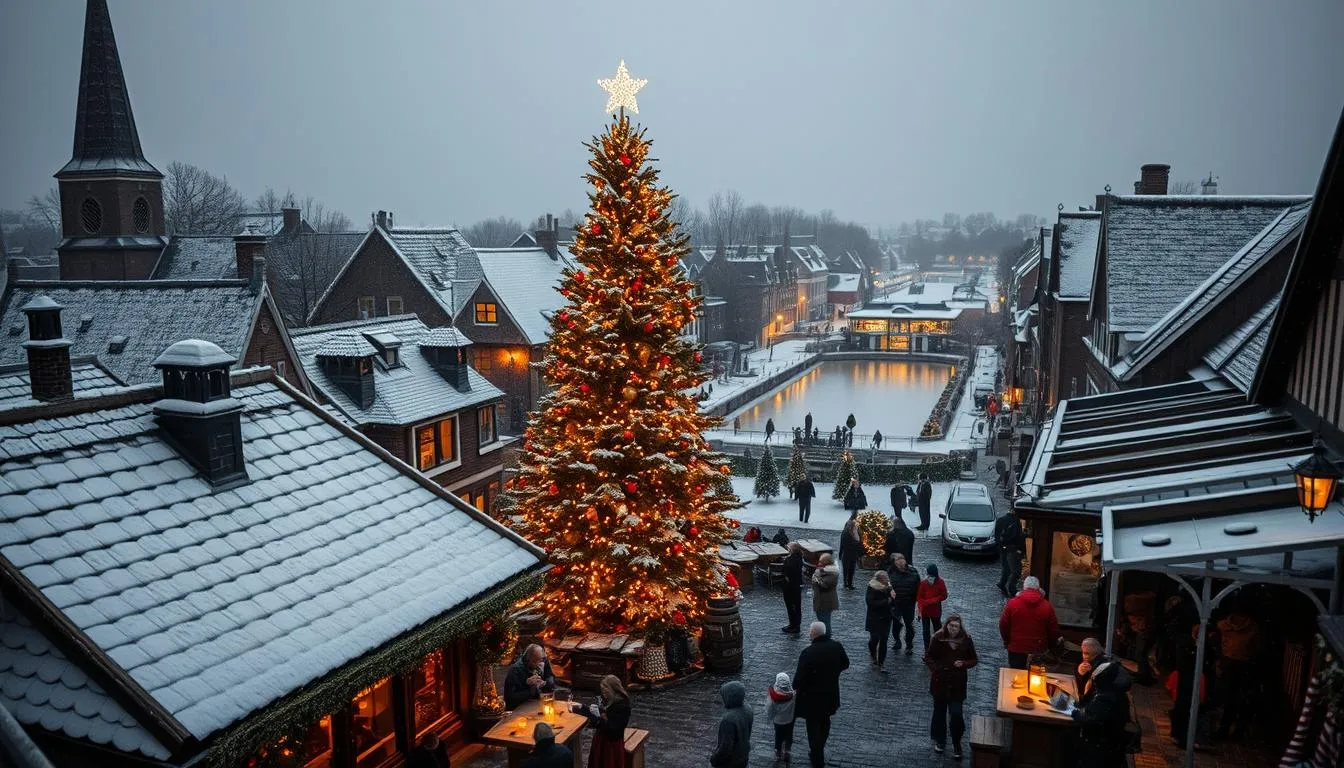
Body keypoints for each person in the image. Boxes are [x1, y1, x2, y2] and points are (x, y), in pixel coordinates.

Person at [794, 621, 850, 768]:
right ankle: (818, 749)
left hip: (812, 699)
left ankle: (817, 756)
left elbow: (798, 680)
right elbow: (845, 663)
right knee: (825, 722)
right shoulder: (836, 646)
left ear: (813, 634)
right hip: (830, 694)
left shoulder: (808, 653)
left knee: (813, 728)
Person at [924, 614, 979, 759]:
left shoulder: (966, 640)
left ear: (960, 628)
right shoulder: (938, 638)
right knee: (940, 713)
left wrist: (964, 664)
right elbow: (928, 656)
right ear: (946, 625)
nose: (953, 629)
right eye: (951, 625)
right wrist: (936, 669)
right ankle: (940, 741)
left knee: (956, 715)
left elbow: (974, 659)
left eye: (956, 626)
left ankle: (957, 743)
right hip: (940, 682)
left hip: (957, 684)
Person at [1071, 661, 1133, 768]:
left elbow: (1091, 720)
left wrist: (1074, 713)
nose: (1093, 677)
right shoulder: (1116, 693)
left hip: (1099, 749)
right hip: (1110, 746)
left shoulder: (1105, 698)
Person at [1215, 607, 1262, 740]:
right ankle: (1235, 729)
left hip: (1235, 664)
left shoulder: (1224, 625)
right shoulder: (1252, 627)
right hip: (1240, 664)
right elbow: (1258, 648)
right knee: (1236, 698)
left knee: (1232, 698)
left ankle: (1229, 728)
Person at [998, 576, 1062, 669]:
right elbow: (1053, 630)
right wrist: (1051, 645)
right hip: (1038, 649)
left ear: (1024, 588)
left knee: (1016, 676)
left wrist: (1006, 641)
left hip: (1016, 648)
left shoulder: (1013, 603)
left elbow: (1003, 624)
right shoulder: (1047, 606)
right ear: (1038, 588)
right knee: (1036, 676)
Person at [584, 674, 631, 767]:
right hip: (602, 742)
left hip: (610, 746)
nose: (603, 692)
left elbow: (614, 730)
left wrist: (597, 720)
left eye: (605, 689)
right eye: (602, 689)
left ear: (614, 689)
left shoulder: (622, 706)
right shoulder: (611, 701)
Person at [710, 680, 753, 768]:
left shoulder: (728, 720)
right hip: (743, 755)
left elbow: (725, 748)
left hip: (731, 762)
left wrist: (714, 759)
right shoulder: (748, 709)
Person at [887, 553, 921, 655]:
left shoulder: (913, 573)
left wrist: (916, 602)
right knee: (896, 624)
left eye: (901, 562)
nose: (900, 565)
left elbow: (918, 588)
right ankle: (897, 641)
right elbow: (887, 585)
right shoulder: (891, 572)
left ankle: (909, 645)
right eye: (898, 563)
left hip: (909, 603)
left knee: (909, 625)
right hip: (896, 603)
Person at [504, 645, 557, 709]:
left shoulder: (543, 661)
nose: (539, 664)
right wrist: (527, 684)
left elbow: (550, 677)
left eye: (541, 660)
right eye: (535, 661)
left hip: (538, 704)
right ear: (528, 660)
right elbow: (509, 698)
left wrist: (546, 683)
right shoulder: (515, 670)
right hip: (521, 708)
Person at [764, 672, 797, 762]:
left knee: (778, 736)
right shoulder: (793, 695)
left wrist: (770, 716)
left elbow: (769, 707)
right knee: (789, 735)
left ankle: (778, 752)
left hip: (778, 721)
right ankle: (787, 751)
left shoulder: (773, 696)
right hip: (789, 720)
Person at [993, 508, 1025, 598]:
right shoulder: (1015, 521)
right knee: (1015, 571)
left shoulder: (1001, 520)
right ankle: (1011, 588)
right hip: (1012, 549)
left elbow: (996, 535)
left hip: (1003, 548)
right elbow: (1017, 537)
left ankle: (1002, 583)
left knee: (1006, 567)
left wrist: (1000, 547)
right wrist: (1020, 549)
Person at [865, 571, 893, 672]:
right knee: (874, 639)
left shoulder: (889, 587)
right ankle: (873, 655)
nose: (888, 579)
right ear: (879, 579)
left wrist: (893, 599)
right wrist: (887, 601)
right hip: (875, 618)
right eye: (885, 578)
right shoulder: (872, 587)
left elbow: (893, 600)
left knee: (884, 640)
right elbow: (870, 602)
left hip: (886, 618)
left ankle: (881, 663)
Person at [916, 563, 947, 649]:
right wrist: (919, 611)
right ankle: (927, 649)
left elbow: (944, 595)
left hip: (935, 611)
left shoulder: (940, 582)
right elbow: (919, 597)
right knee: (926, 631)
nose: (930, 577)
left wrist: (931, 601)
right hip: (925, 611)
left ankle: (939, 647)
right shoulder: (923, 583)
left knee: (938, 629)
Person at [811, 553, 839, 635]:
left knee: (825, 622)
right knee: (822, 620)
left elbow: (825, 585)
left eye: (821, 562)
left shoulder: (832, 573)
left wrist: (817, 578)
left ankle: (826, 638)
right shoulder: (822, 571)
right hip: (820, 600)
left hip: (826, 602)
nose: (819, 563)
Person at [781, 542, 804, 635]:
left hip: (792, 587)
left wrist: (786, 575)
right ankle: (792, 624)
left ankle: (795, 626)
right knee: (790, 607)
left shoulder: (795, 559)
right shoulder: (792, 558)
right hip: (790, 586)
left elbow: (790, 571)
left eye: (789, 547)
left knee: (794, 607)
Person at [838, 511, 861, 589]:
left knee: (851, 568)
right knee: (846, 568)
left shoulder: (856, 532)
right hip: (847, 553)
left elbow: (859, 542)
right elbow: (843, 543)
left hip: (853, 553)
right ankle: (846, 583)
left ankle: (850, 583)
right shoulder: (846, 533)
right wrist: (840, 553)